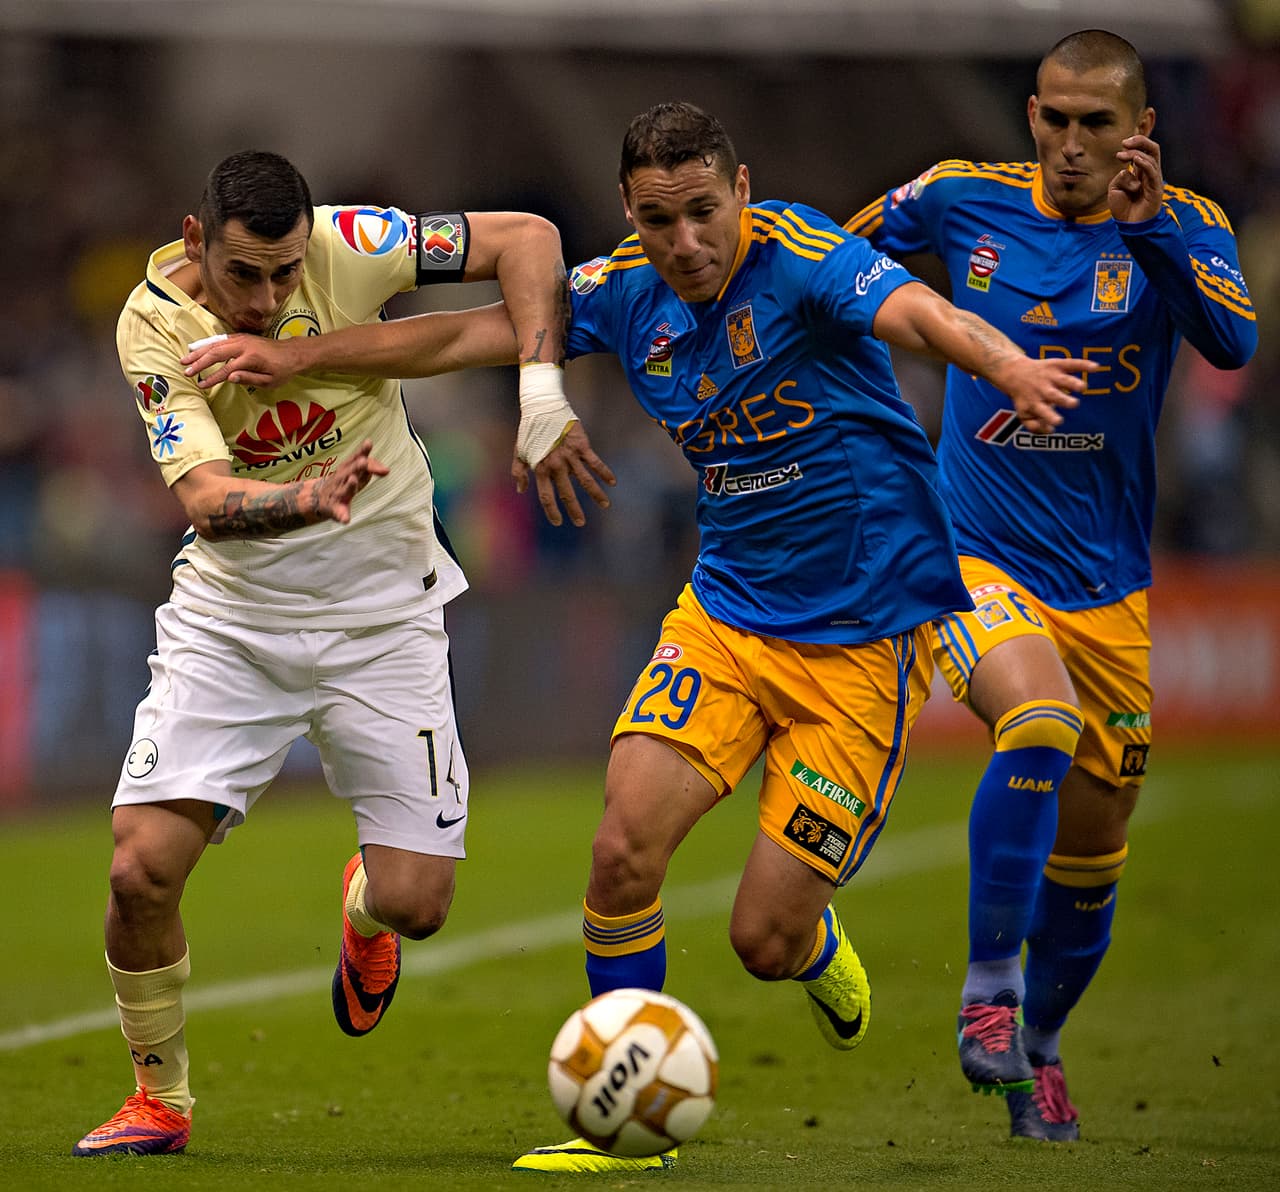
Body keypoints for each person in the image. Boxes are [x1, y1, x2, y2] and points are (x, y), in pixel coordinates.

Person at [187, 103, 1099, 1173]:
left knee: (761, 937)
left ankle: (807, 944)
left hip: (858, 642)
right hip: (722, 621)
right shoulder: (623, 287)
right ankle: (621, 1132)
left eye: (704, 213)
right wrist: (296, 358)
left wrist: (1008, 369)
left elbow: (917, 315)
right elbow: (464, 332)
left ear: (741, 192)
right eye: (658, 219)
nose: (686, 243)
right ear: (629, 210)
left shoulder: (800, 255)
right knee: (620, 850)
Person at [72, 150, 613, 1158]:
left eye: (285, 273)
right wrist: (302, 498)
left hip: (384, 618)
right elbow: (205, 501)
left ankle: (362, 907)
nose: (270, 299)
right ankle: (161, 1098)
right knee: (140, 871)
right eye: (245, 275)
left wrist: (540, 395)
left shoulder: (356, 241)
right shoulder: (153, 322)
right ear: (196, 242)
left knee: (417, 903)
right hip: (234, 620)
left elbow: (528, 242)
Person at [844, 29, 1256, 1141]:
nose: (1071, 144)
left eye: (1096, 124)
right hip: (971, 554)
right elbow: (828, 265)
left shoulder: (1188, 226)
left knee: (1092, 852)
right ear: (1030, 115)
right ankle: (989, 987)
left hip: (1108, 584)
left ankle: (1041, 1040)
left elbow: (1229, 343)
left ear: (1137, 134)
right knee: (1035, 719)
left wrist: (1152, 226)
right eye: (1054, 120)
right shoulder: (954, 198)